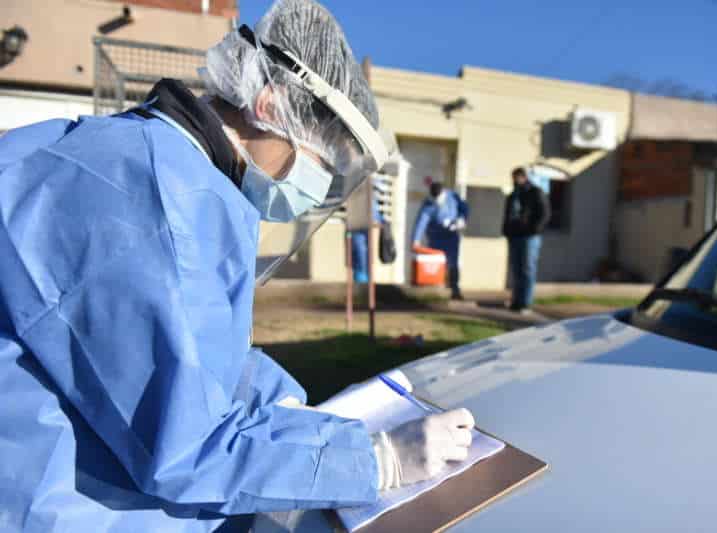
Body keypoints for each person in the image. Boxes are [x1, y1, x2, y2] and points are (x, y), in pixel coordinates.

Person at [0, 1, 474, 531]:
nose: (316, 187)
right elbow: (187, 449)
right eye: (321, 163)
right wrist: (375, 461)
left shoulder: (114, 149)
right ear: (269, 106)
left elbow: (167, 349)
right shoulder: (168, 210)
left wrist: (279, 399)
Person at [503, 167, 551, 312]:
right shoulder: (513, 195)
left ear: (523, 177)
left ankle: (525, 302)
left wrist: (534, 230)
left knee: (527, 269)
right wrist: (506, 231)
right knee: (516, 270)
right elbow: (507, 215)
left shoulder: (535, 192)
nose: (514, 181)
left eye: (516, 177)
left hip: (529, 237)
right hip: (514, 236)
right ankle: (516, 301)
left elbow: (545, 213)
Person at [412, 181, 469, 299]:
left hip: (451, 235)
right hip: (435, 237)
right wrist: (415, 240)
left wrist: (461, 220)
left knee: (453, 263)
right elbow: (421, 222)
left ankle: (455, 289)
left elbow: (464, 208)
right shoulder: (428, 204)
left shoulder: (453, 197)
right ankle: (437, 289)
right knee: (437, 263)